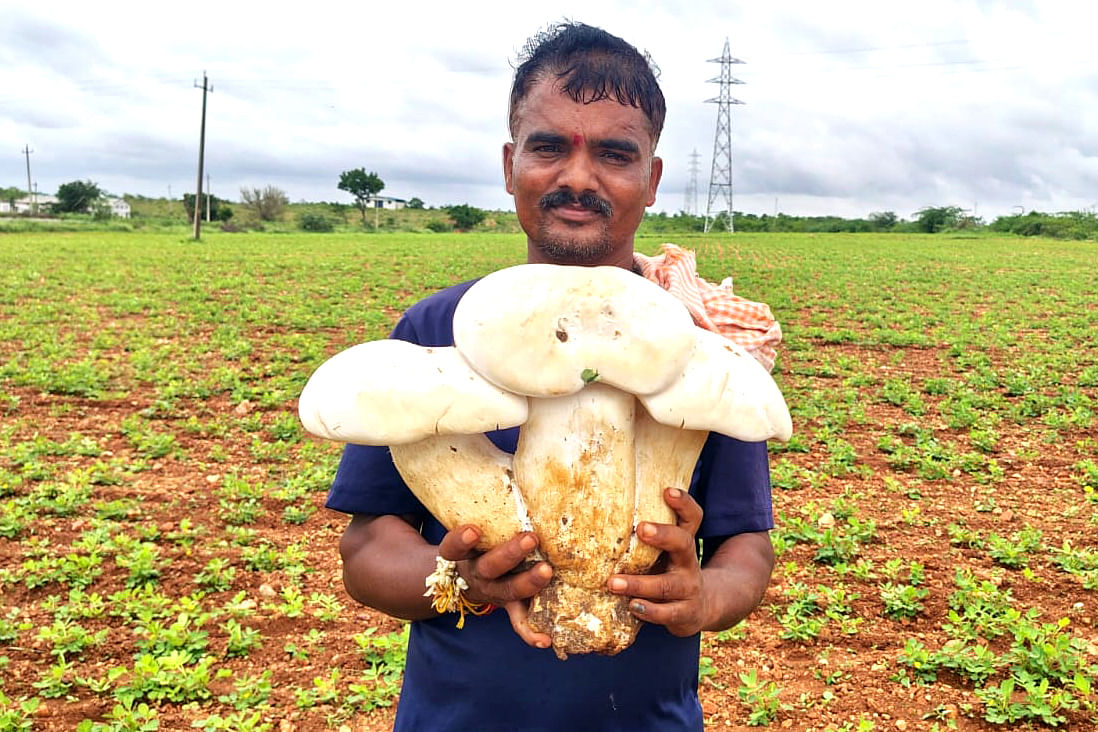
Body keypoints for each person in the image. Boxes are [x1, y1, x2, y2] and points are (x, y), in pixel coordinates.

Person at [326, 22, 776, 731]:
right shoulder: (434, 331)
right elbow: (366, 549)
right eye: (547, 146)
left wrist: (706, 596)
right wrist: (459, 582)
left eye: (614, 153)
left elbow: (747, 547)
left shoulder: (698, 348)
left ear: (651, 179)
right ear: (510, 165)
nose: (577, 176)